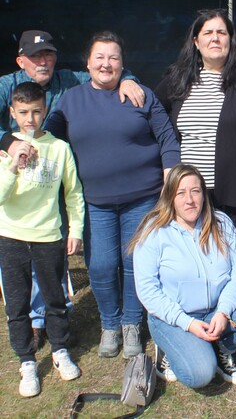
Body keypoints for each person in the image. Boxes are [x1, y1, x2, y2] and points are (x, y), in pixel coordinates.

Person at [0, 29, 144, 346]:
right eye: (36, 56)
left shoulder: (68, 79)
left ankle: (56, 315)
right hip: (19, 181)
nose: (44, 61)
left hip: (59, 173)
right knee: (20, 254)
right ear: (20, 60)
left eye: (48, 54)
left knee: (53, 247)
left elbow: (105, 70)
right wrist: (8, 140)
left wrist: (129, 79)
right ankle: (34, 322)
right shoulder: (6, 86)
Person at [45, 31, 180, 359]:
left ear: (123, 64)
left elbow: (167, 139)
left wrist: (169, 184)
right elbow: (47, 138)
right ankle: (110, 323)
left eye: (114, 58)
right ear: (87, 63)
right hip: (95, 202)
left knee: (135, 261)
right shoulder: (70, 101)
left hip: (143, 197)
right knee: (102, 265)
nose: (106, 64)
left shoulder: (141, 95)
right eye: (100, 57)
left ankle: (132, 323)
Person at [155, 9, 236, 297]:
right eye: (208, 33)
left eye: (222, 32)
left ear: (231, 40)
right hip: (191, 193)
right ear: (195, 41)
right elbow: (151, 109)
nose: (215, 38)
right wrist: (127, 81)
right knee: (199, 257)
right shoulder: (179, 78)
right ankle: (204, 309)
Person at [131, 164, 236, 388]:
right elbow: (147, 290)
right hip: (175, 317)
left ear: (204, 194)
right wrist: (187, 323)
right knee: (201, 374)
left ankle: (220, 346)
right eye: (181, 193)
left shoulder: (221, 223)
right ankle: (170, 347)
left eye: (195, 191)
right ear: (170, 196)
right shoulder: (154, 231)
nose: (189, 199)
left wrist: (224, 311)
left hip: (216, 308)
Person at [0, 82, 84, 397]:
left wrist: (75, 230)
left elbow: (74, 193)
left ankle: (60, 350)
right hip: (11, 237)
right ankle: (26, 361)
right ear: (12, 113)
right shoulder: (5, 149)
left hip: (49, 236)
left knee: (56, 297)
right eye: (23, 112)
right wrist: (12, 163)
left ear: (45, 109)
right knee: (17, 302)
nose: (30, 119)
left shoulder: (59, 148)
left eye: (36, 111)